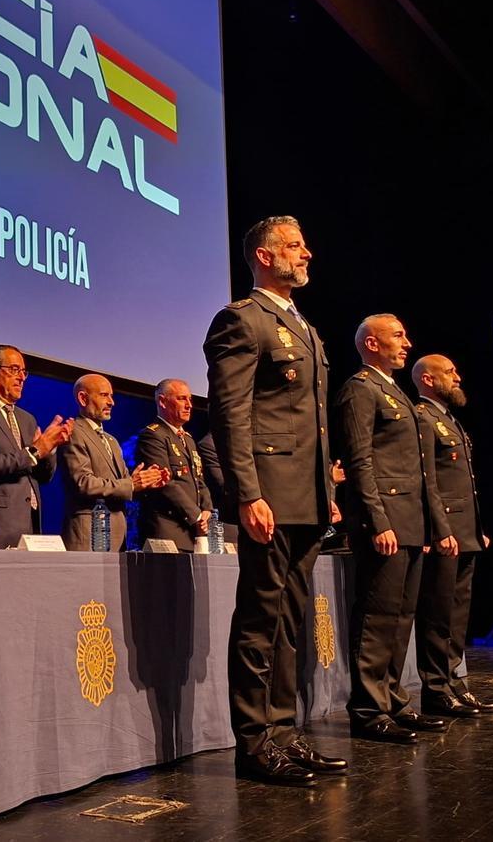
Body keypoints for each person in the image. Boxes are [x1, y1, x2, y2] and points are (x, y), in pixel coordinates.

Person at [203, 215, 347, 786]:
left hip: (306, 498)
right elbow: (230, 413)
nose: (306, 253)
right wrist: (248, 494)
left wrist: (327, 492)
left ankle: (285, 731)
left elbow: (310, 424)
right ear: (264, 257)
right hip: (269, 497)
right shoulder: (243, 320)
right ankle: (254, 741)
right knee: (261, 618)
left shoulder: (303, 326)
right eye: (294, 246)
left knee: (289, 619)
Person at [335, 314, 455, 743]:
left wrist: (422, 527)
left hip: (409, 523)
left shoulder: (396, 393)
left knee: (402, 617)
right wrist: (376, 520)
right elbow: (360, 461)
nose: (407, 343)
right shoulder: (360, 389)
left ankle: (393, 700)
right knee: (376, 617)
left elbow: (418, 470)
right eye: (398, 336)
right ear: (371, 344)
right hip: (384, 521)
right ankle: (368, 709)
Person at [411, 354, 493, 716]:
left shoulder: (449, 420)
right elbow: (427, 481)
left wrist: (476, 529)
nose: (457, 376)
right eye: (450, 372)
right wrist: (440, 529)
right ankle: (436, 689)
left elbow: (465, 484)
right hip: (445, 533)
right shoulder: (422, 417)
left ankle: (454, 683)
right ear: (429, 380)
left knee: (458, 614)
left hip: (465, 533)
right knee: (438, 613)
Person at [0, 345, 74, 549]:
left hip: (29, 523)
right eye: (13, 369)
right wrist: (36, 450)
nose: (21, 377)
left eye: (23, 372)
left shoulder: (27, 418)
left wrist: (50, 449)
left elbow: (43, 477)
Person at [59, 374, 166, 551]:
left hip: (116, 537)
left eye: (111, 396)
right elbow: (84, 483)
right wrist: (131, 484)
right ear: (83, 398)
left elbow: (124, 486)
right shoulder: (73, 432)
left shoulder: (112, 441)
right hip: (88, 535)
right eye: (104, 395)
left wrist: (145, 482)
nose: (111, 402)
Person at [135, 379, 212, 551]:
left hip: (193, 530)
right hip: (167, 531)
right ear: (162, 401)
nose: (189, 405)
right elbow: (166, 484)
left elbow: (199, 479)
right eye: (182, 399)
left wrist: (207, 510)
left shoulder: (188, 439)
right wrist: (197, 516)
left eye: (190, 399)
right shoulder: (153, 436)